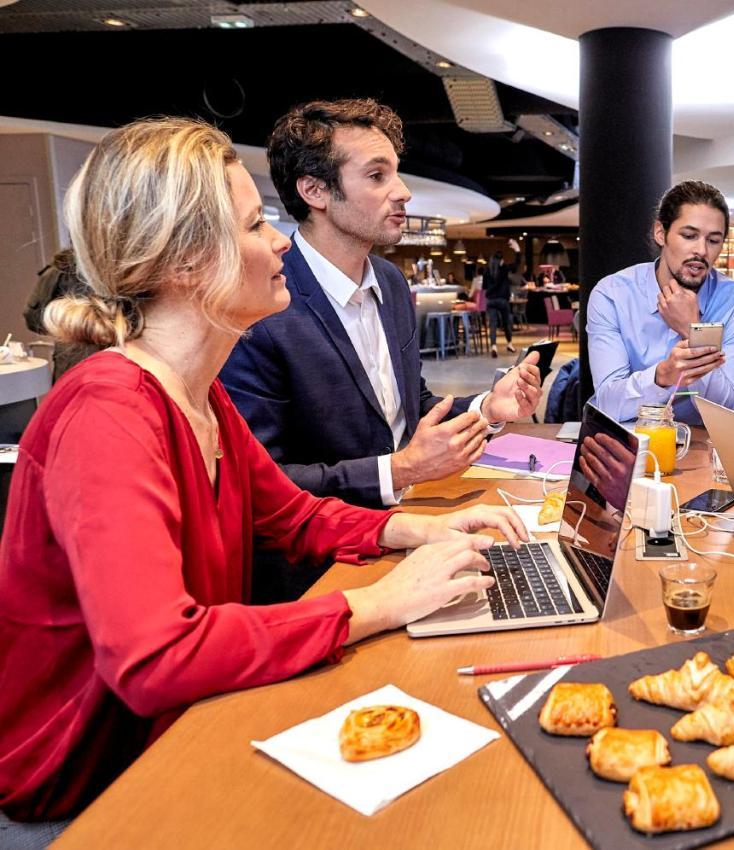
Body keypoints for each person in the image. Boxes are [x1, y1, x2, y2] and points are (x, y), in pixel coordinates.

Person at [0, 118, 528, 832]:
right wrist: (379, 604)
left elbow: (295, 516)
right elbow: (156, 656)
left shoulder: (200, 393)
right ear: (186, 261)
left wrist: (422, 526)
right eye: (255, 225)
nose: (280, 240)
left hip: (176, 730)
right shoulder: (108, 413)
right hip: (87, 784)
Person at [221, 99, 543, 512]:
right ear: (314, 190)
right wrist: (399, 471)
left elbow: (411, 409)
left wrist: (487, 407)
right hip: (328, 553)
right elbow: (262, 481)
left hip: (412, 516)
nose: (404, 192)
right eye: (377, 176)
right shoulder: (264, 302)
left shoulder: (390, 283)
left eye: (395, 173)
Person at [586, 181, 734, 424]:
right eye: (689, 236)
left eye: (713, 240)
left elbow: (728, 408)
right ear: (660, 233)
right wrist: (662, 376)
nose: (701, 251)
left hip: (702, 443)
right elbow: (609, 404)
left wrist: (693, 330)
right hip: (628, 441)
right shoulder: (612, 295)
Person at [22, 249, 101, 381]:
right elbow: (33, 317)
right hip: (85, 358)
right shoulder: (130, 261)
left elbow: (33, 318)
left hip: (75, 359)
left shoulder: (64, 265)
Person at [483, 239, 521, 356]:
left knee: (493, 324)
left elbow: (484, 286)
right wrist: (517, 249)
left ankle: (494, 347)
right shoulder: (503, 269)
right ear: (500, 260)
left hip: (490, 300)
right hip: (502, 300)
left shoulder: (487, 271)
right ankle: (509, 344)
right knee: (506, 323)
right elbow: (516, 266)